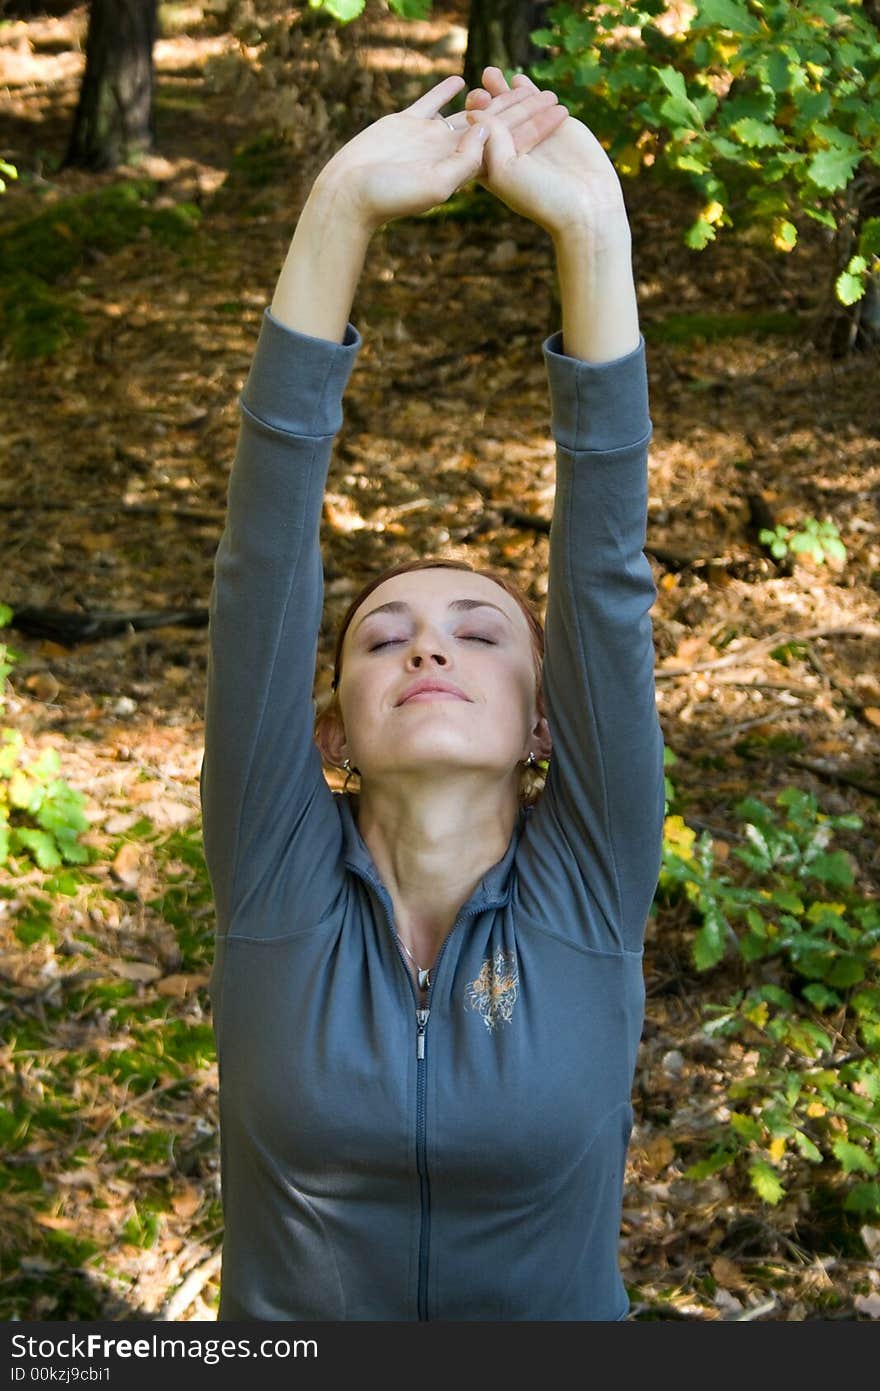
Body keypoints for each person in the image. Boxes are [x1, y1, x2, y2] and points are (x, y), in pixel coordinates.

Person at [200, 66, 665, 1322]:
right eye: (380, 637)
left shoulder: (593, 868)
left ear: (542, 722)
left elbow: (606, 578)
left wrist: (592, 234)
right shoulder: (272, 867)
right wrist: (340, 208)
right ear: (329, 728)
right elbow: (260, 573)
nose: (425, 649)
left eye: (480, 631)